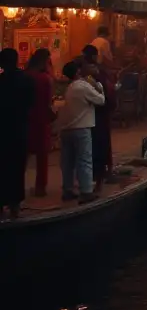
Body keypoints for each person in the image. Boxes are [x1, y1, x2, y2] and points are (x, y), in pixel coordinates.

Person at [53, 59, 105, 204]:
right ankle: (86, 191)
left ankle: (68, 189)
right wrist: (98, 86)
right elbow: (101, 100)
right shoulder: (83, 86)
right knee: (84, 160)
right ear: (77, 72)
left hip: (66, 129)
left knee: (67, 161)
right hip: (81, 128)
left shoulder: (67, 88)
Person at [0, 47, 35, 219]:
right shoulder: (26, 80)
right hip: (20, 129)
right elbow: (31, 104)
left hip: (2, 130)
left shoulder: (1, 81)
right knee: (17, 168)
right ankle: (15, 207)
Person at [83, 45, 116, 188]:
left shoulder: (90, 74)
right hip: (99, 113)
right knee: (100, 144)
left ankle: (97, 178)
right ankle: (100, 176)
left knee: (95, 146)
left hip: (94, 113)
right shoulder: (99, 72)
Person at [26, 48, 55, 198]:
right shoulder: (45, 79)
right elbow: (49, 103)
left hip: (26, 120)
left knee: (22, 156)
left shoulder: (26, 76)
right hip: (42, 119)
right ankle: (40, 187)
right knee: (42, 157)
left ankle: (16, 188)